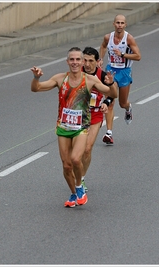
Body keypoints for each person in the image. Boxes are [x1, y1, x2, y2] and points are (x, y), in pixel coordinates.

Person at [30, 47, 117, 208]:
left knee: (77, 158)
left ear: (82, 62)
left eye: (78, 59)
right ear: (67, 62)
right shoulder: (60, 78)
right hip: (63, 127)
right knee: (66, 165)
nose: (75, 62)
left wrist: (111, 83)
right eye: (72, 59)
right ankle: (73, 193)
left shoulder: (90, 80)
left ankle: (79, 186)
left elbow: (112, 93)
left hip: (81, 127)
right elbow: (36, 88)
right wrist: (36, 78)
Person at [99, 14, 141, 145]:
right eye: (117, 23)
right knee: (110, 101)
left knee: (122, 103)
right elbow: (103, 46)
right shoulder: (108, 37)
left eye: (122, 23)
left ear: (125, 25)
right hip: (111, 70)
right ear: (113, 24)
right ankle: (109, 133)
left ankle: (128, 109)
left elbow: (138, 56)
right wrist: (100, 58)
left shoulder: (129, 39)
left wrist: (122, 54)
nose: (119, 25)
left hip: (124, 72)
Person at [81, 46, 117, 192]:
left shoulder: (102, 75)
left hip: (95, 114)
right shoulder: (77, 73)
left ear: (97, 62)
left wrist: (105, 103)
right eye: (85, 60)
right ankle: (76, 171)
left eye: (91, 61)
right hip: (79, 115)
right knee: (74, 153)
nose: (87, 64)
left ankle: (81, 179)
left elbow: (113, 94)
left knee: (87, 149)